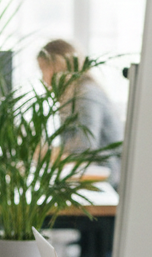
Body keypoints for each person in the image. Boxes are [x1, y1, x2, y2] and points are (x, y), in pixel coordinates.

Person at [37, 38, 123, 188]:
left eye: (43, 69)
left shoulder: (85, 95)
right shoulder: (73, 94)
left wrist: (46, 154)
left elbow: (84, 149)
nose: (43, 78)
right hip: (91, 176)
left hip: (107, 180)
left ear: (58, 66)